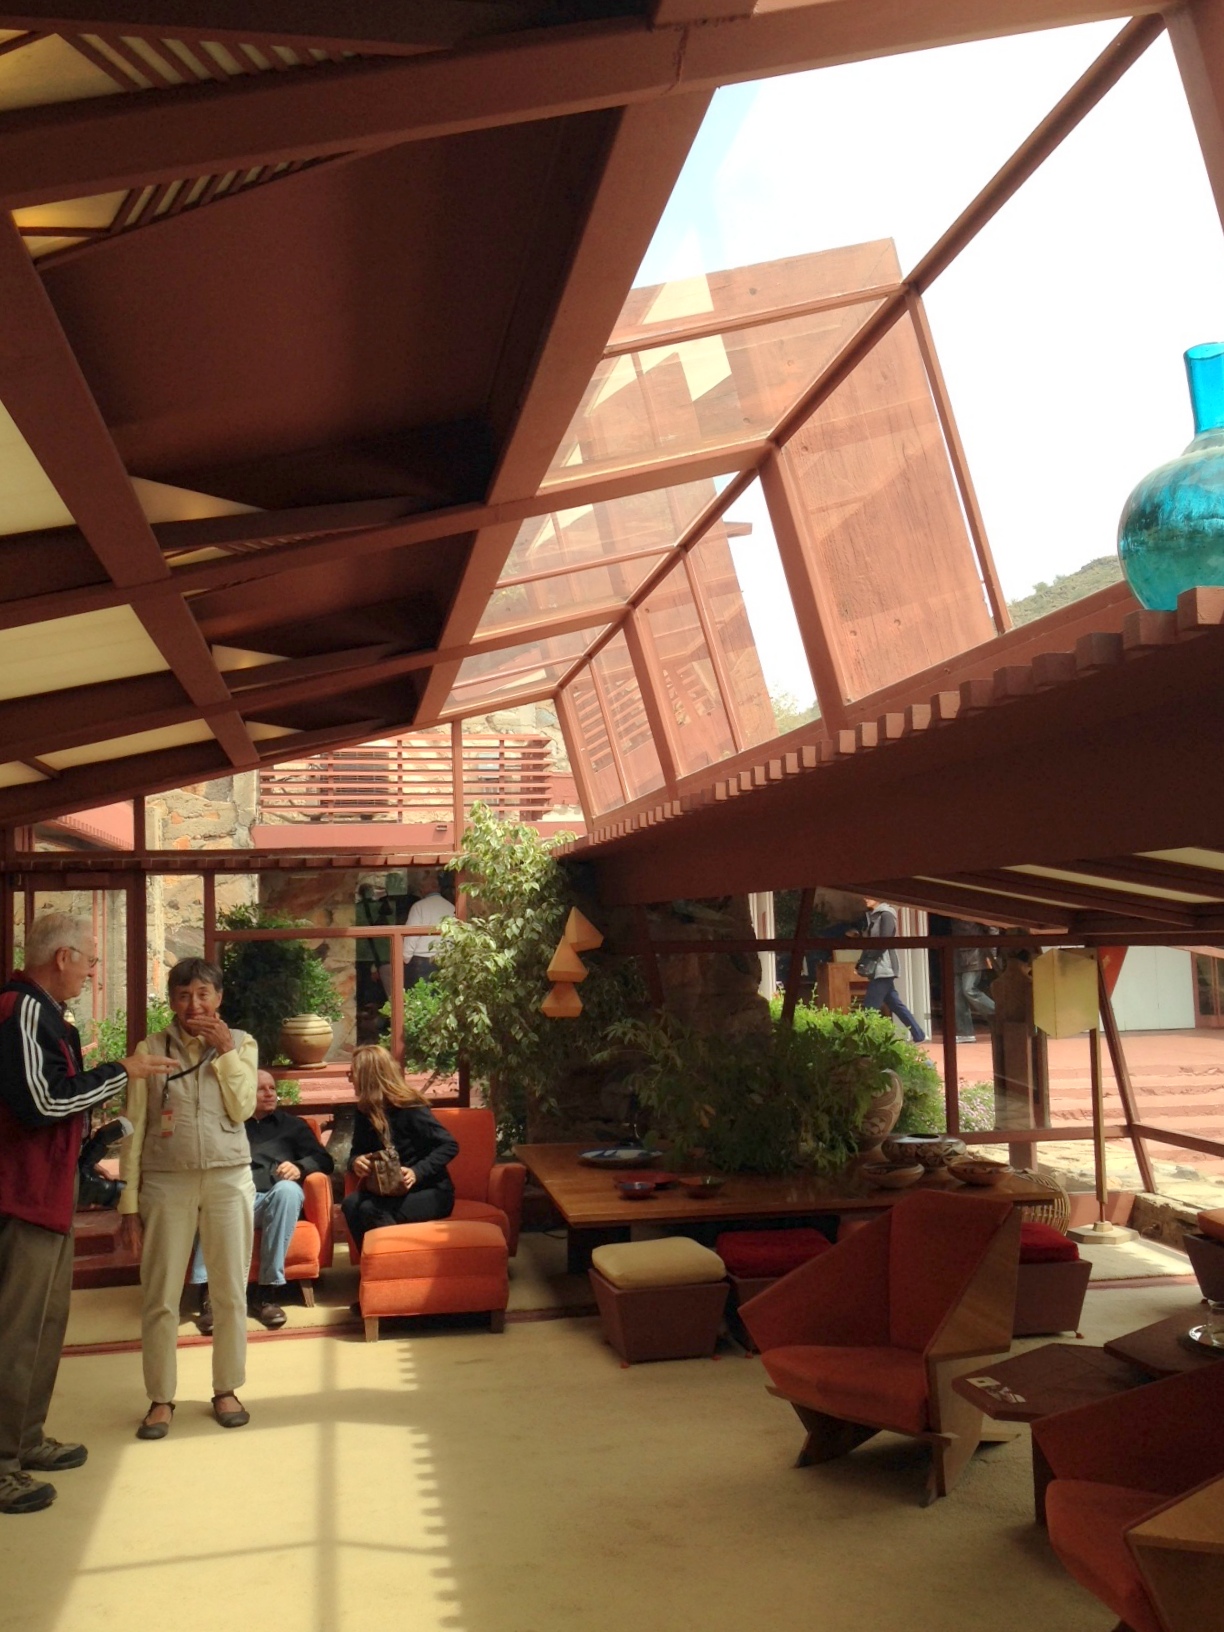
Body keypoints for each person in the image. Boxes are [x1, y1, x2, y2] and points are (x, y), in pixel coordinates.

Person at [0, 913, 174, 1514]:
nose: (92, 972)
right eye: (90, 960)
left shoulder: (48, 1014)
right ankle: (2, 1464)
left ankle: (25, 1441)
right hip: (20, 1198)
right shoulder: (21, 1009)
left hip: (47, 1197)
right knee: (15, 1336)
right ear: (62, 957)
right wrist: (121, 1072)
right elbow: (41, 1103)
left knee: (44, 1330)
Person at [118, 959, 258, 1439]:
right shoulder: (150, 1050)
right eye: (183, 995)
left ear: (219, 998)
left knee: (230, 1292)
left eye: (203, 994)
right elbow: (134, 1128)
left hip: (228, 1178)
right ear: (172, 1001)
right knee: (160, 1295)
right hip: (166, 1181)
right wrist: (128, 1203)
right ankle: (160, 1398)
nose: (194, 1005)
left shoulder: (242, 1043)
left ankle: (226, 1388)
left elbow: (244, 1108)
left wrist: (226, 1053)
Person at [189, 1069, 335, 1331]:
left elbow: (325, 1160)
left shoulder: (293, 1125)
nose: (269, 1094)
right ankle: (211, 1296)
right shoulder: (226, 1125)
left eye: (272, 1088)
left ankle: (266, 1293)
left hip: (273, 1202)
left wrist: (300, 1167)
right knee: (215, 1197)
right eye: (261, 1089)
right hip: (233, 1201)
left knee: (289, 1190)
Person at [341, 1045, 458, 1251]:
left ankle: (395, 1262)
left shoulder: (410, 1107)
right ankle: (372, 1263)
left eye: (352, 1073)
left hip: (430, 1191)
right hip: (388, 1191)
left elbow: (449, 1145)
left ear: (368, 1076)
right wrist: (356, 1162)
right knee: (350, 1204)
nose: (350, 1080)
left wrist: (416, 1172)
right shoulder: (364, 1112)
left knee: (371, 1209)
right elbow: (356, 1152)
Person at [856, 899, 926, 1043]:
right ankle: (918, 1034)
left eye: (869, 896)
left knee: (870, 1007)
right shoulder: (875, 915)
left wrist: (868, 960)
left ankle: (865, 1040)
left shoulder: (886, 914)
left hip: (884, 966)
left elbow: (884, 942)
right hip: (880, 967)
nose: (865, 899)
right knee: (895, 1004)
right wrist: (861, 962)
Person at [402, 872, 455, 987]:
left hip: (422, 962)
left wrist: (405, 958)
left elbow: (411, 935)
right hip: (446, 959)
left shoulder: (418, 907)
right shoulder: (451, 907)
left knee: (421, 995)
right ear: (438, 888)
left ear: (423, 889)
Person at [950, 919, 997, 1042]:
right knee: (958, 995)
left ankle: (999, 1013)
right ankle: (965, 1033)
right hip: (958, 953)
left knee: (968, 989)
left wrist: (992, 953)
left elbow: (992, 927)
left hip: (975, 953)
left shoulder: (972, 912)